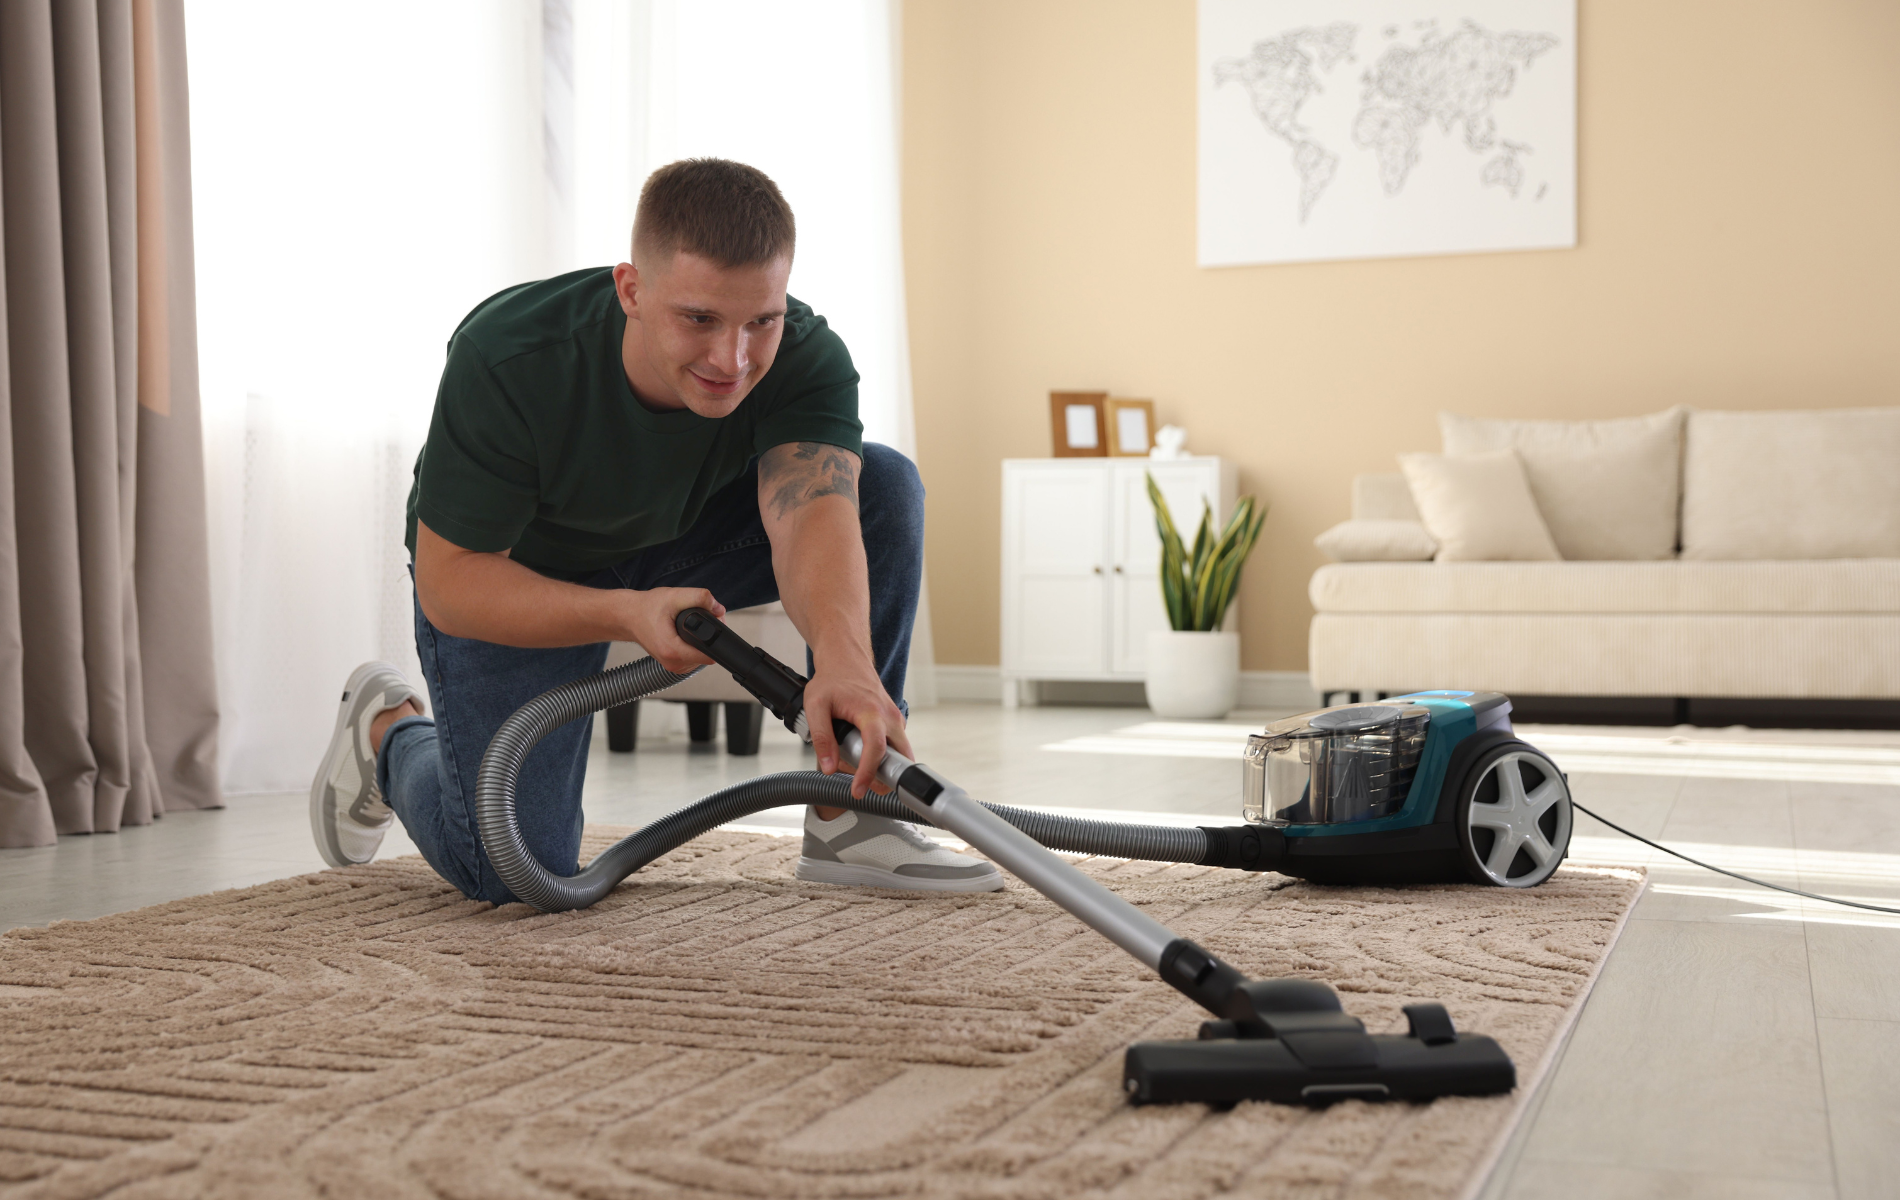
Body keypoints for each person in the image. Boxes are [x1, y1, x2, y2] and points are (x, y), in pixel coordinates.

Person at [307, 158, 1000, 902]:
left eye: (759, 321)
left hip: (685, 544)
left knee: (883, 484)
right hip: (526, 576)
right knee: (510, 870)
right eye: (699, 319)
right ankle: (388, 733)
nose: (732, 360)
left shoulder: (804, 356)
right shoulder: (510, 357)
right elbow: (452, 582)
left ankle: (851, 812)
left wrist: (845, 662)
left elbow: (812, 520)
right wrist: (624, 614)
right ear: (631, 289)